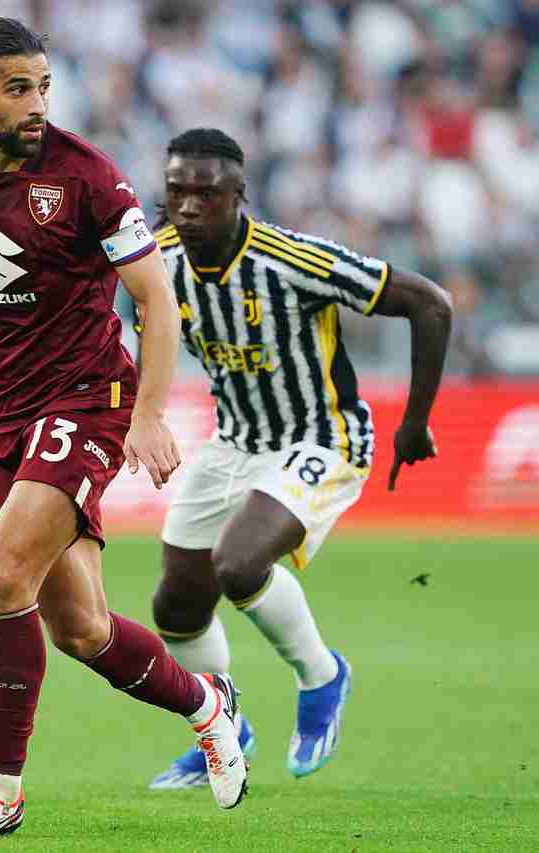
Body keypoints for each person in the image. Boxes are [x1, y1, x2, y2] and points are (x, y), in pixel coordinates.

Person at [0, 20, 247, 839]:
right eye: (19, 89)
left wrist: (149, 413)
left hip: (89, 396)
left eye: (46, 86)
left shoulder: (88, 175)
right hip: (3, 411)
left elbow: (155, 299)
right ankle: (207, 702)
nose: (38, 106)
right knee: (80, 626)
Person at [138, 129, 451, 789]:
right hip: (235, 442)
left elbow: (430, 303)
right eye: (178, 192)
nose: (190, 206)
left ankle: (322, 676)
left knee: (239, 562)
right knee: (176, 607)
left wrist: (415, 421)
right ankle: (224, 727)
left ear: (237, 196)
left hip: (322, 435)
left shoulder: (291, 259)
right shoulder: (156, 263)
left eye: (207, 192)